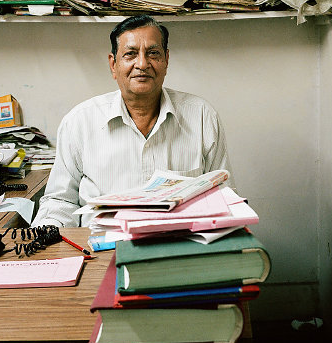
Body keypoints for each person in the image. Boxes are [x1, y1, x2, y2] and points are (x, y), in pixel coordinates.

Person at [32, 14, 233, 227]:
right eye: (130, 54)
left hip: (180, 246)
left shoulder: (201, 116)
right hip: (100, 248)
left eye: (153, 53)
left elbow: (224, 195)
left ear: (166, 60)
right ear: (113, 64)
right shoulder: (79, 122)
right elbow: (60, 201)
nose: (142, 64)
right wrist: (45, 238)